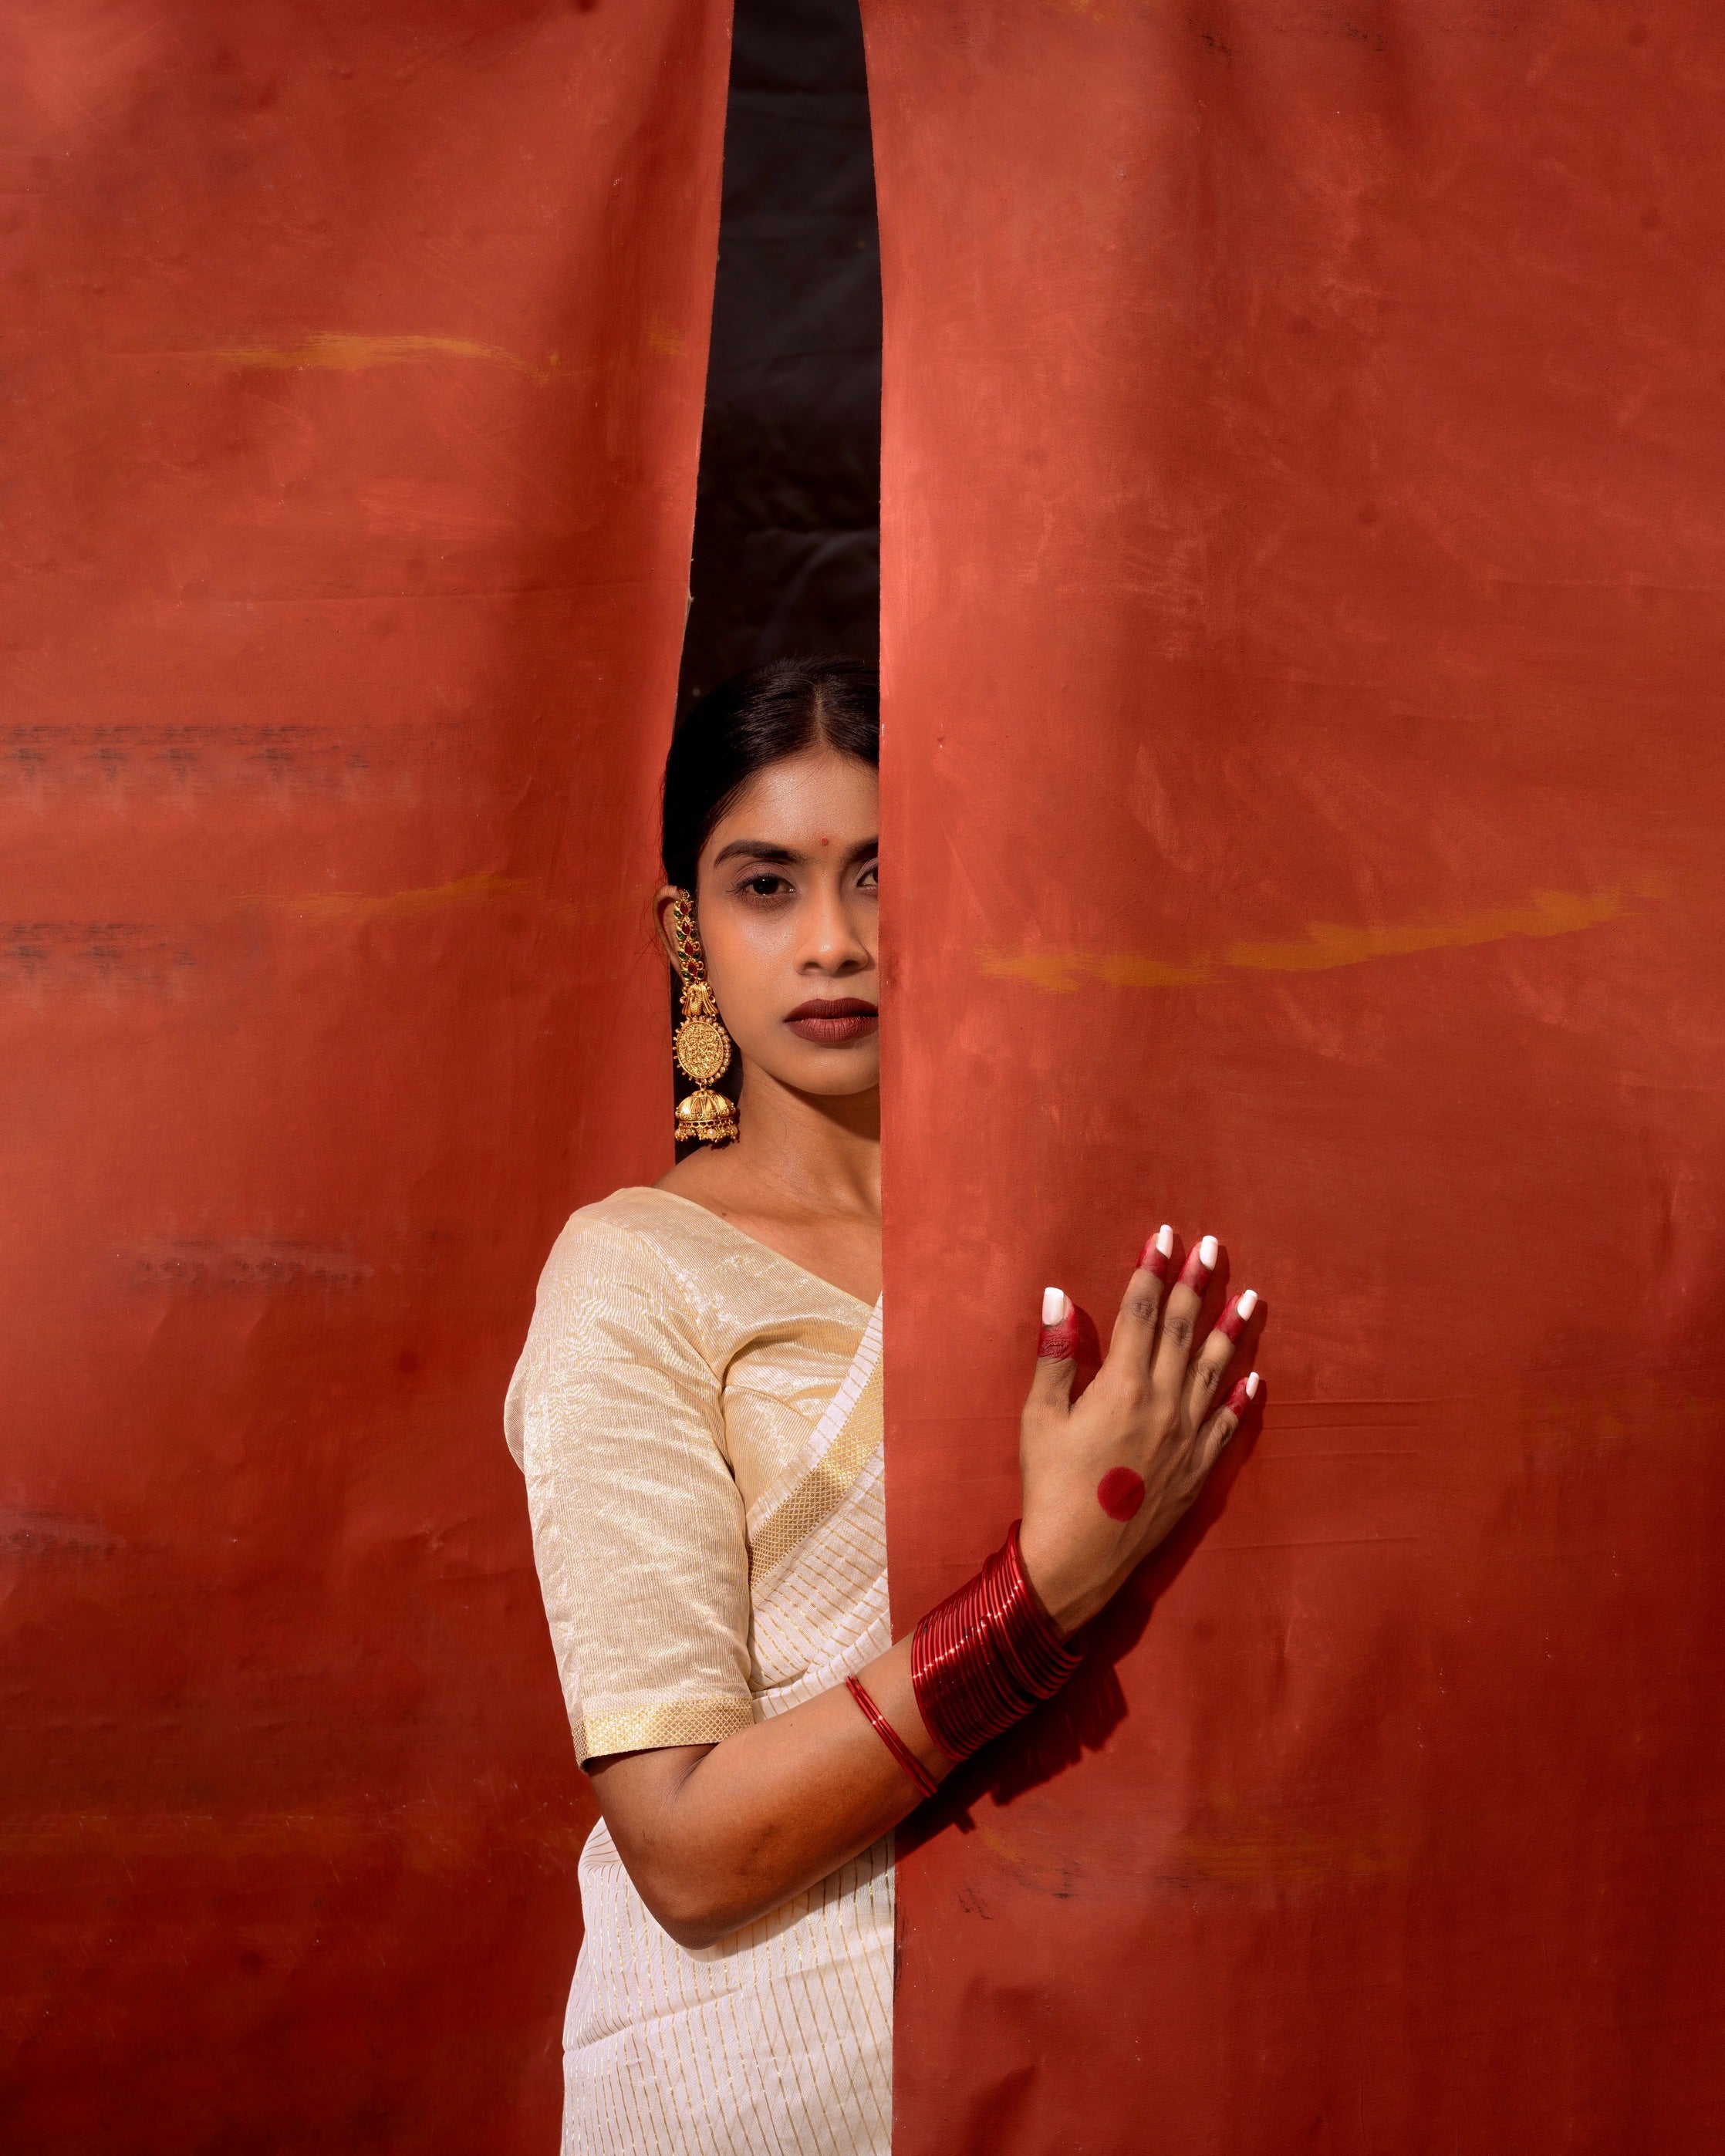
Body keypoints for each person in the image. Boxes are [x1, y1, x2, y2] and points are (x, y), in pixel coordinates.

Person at [504, 656, 1264, 2155]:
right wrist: (1035, 1603)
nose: (834, 942)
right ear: (684, 935)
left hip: (1084, 2049)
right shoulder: (632, 1275)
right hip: (756, 2086)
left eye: (875, 876)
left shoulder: (1046, 1215)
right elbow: (686, 1848)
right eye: (766, 887)